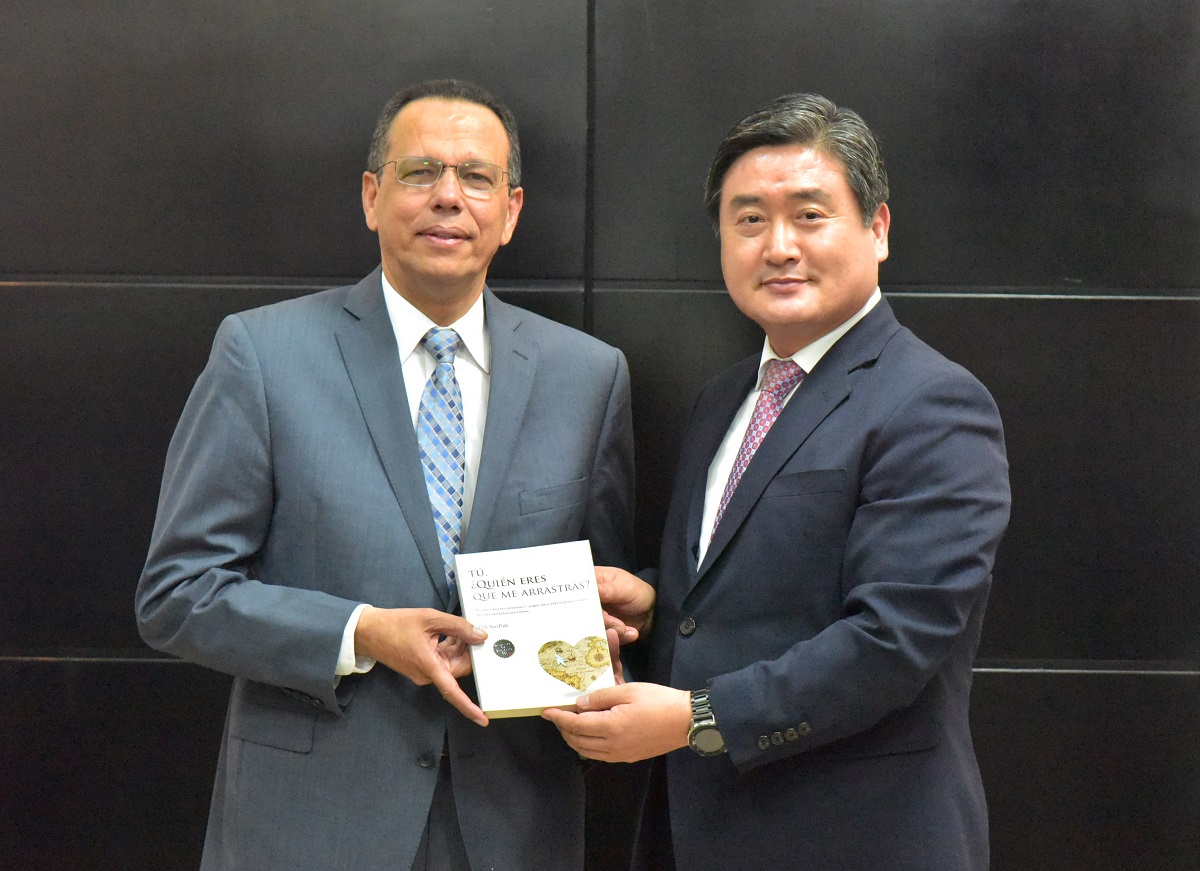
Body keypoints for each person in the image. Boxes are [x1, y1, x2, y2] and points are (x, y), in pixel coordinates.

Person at [136, 79, 635, 871]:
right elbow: (176, 594)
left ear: (510, 212)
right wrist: (362, 632)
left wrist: (604, 642)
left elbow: (605, 583)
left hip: (513, 819)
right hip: (311, 822)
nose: (447, 196)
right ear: (372, 197)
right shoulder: (263, 355)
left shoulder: (589, 376)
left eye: (476, 177)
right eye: (419, 172)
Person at [544, 93, 1010, 871]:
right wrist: (656, 605)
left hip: (858, 838)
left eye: (809, 214)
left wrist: (695, 717)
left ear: (879, 228)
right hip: (698, 832)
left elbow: (893, 640)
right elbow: (754, 600)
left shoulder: (934, 402)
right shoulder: (725, 399)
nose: (779, 246)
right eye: (750, 219)